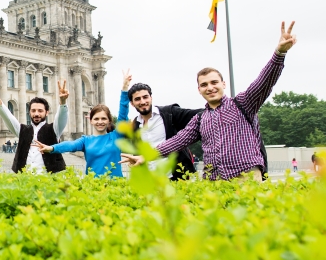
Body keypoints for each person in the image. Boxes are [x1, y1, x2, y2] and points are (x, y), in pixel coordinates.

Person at [121, 21, 298, 181]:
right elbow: (176, 141)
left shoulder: (243, 103)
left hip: (246, 176)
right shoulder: (199, 119)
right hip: (214, 181)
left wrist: (279, 53)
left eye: (214, 82)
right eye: (204, 85)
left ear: (223, 84)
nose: (210, 87)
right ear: (199, 90)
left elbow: (264, 82)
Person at [34, 69, 132, 177]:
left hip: (115, 187)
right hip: (93, 186)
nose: (100, 122)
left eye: (103, 119)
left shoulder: (115, 137)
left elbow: (123, 114)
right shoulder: (86, 140)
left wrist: (125, 89)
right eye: (96, 119)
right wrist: (52, 148)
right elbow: (70, 145)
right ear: (91, 120)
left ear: (109, 120)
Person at [127, 82, 203, 180]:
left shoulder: (169, 114)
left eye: (145, 97)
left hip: (177, 178)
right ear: (132, 103)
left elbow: (200, 114)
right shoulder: (135, 125)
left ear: (151, 98)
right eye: (137, 99)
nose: (142, 102)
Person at [0, 80, 69, 173]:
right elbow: (9, 118)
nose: (36, 114)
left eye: (40, 111)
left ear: (47, 112)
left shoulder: (54, 129)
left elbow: (61, 117)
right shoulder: (22, 130)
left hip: (49, 180)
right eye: (33, 111)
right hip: (25, 180)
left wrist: (63, 102)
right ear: (29, 112)